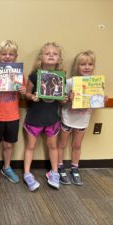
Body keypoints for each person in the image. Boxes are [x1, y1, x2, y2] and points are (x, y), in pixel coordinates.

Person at [57, 50, 106, 185]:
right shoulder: (71, 82)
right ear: (77, 66)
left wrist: (101, 100)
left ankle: (74, 168)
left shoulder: (96, 83)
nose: (87, 67)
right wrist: (68, 98)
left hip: (82, 121)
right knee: (62, 144)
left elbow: (96, 104)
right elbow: (61, 100)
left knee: (77, 145)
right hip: (67, 119)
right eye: (83, 64)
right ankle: (60, 167)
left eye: (90, 64)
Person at [23, 42, 65, 191]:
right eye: (48, 53)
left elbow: (61, 98)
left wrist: (64, 98)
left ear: (59, 58)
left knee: (53, 146)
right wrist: (31, 96)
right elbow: (27, 94)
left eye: (55, 53)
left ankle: (54, 172)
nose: (51, 55)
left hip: (51, 119)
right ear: (41, 57)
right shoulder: (35, 75)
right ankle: (27, 173)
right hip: (35, 118)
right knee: (30, 146)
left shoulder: (61, 77)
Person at [0, 40, 26, 184]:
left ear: (15, 56)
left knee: (9, 145)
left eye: (11, 54)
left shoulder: (19, 75)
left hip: (13, 116)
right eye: (4, 54)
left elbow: (23, 96)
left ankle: (6, 167)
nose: (7, 56)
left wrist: (23, 91)